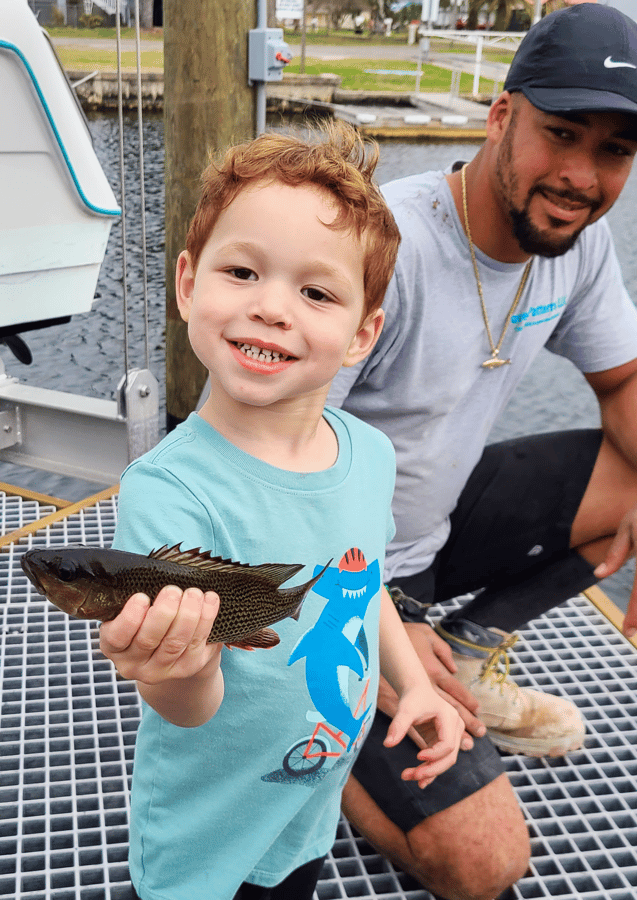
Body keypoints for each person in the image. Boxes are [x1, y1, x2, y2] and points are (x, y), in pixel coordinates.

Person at [98, 123, 464, 900]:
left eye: (316, 291)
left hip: (311, 801)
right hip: (208, 830)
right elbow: (186, 709)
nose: (270, 307)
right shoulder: (169, 492)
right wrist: (180, 667)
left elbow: (361, 588)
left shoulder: (369, 452)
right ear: (189, 283)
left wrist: (414, 683)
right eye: (242, 271)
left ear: (363, 333)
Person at [327, 5, 637, 899]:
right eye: (562, 132)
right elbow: (286, 463)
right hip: (321, 566)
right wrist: (385, 617)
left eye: (614, 150)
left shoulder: (578, 244)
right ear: (501, 117)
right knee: (485, 864)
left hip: (430, 531)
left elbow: (624, 385)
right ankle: (311, 746)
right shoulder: (385, 242)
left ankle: (462, 650)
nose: (582, 175)